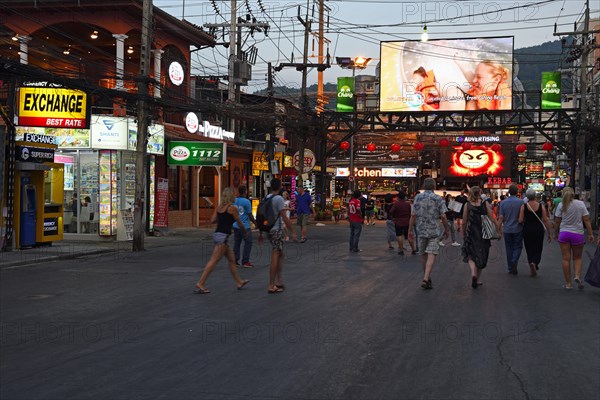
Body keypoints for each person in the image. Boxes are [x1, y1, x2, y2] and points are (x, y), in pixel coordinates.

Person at [194, 187, 250, 294]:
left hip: (218, 234)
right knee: (213, 261)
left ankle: (239, 281)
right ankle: (201, 283)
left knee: (232, 259)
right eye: (233, 195)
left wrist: (223, 219)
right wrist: (245, 231)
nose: (235, 196)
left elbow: (213, 220)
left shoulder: (219, 207)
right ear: (230, 196)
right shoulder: (232, 208)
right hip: (223, 236)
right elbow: (239, 222)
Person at [408, 178, 449, 289]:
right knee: (432, 253)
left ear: (424, 186)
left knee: (422, 254)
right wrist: (447, 229)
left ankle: (427, 277)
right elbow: (443, 216)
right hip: (434, 231)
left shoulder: (417, 197)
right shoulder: (438, 198)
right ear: (434, 186)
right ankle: (426, 278)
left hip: (420, 230)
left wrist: (410, 230)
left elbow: (413, 215)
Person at [258, 178, 297, 293]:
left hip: (268, 229)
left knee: (280, 254)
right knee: (276, 254)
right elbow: (284, 216)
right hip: (276, 230)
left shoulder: (267, 198)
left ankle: (279, 280)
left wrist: (261, 232)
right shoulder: (278, 199)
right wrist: (293, 231)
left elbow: (261, 215)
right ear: (280, 187)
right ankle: (271, 284)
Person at [554, 187, 595, 290]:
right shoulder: (580, 204)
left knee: (565, 258)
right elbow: (586, 220)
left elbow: (557, 221)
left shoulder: (561, 205)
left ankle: (568, 284)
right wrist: (590, 234)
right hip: (577, 234)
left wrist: (555, 233)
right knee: (577, 258)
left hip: (564, 234)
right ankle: (577, 276)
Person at [462, 186, 500, 289]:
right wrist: (498, 229)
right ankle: (477, 278)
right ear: (480, 193)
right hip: (484, 232)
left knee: (470, 254)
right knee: (482, 253)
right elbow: (492, 218)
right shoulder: (485, 204)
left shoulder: (467, 205)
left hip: (471, 232)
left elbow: (464, 221)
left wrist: (463, 233)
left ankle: (473, 273)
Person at [519, 189, 553, 276]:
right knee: (538, 247)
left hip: (527, 229)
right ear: (535, 196)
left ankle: (531, 261)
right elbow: (545, 220)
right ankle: (535, 262)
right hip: (538, 229)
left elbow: (520, 220)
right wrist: (549, 233)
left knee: (528, 247)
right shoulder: (541, 206)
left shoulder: (524, 206)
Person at [498, 184, 524, 275]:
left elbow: (501, 217)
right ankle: (514, 260)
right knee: (518, 246)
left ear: (509, 192)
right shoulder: (521, 202)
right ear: (517, 192)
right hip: (518, 228)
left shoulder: (503, 203)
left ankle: (510, 267)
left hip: (507, 229)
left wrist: (498, 229)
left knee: (509, 248)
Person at [232, 185, 256, 268]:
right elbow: (249, 214)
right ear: (245, 192)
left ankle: (235, 260)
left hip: (235, 225)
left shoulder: (235, 201)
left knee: (237, 243)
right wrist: (255, 223)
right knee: (248, 243)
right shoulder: (247, 202)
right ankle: (245, 261)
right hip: (245, 226)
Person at [389, 191, 416, 256]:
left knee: (399, 235)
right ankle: (413, 250)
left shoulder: (396, 204)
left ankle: (401, 250)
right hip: (407, 222)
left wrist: (393, 218)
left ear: (398, 197)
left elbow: (391, 212)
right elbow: (410, 213)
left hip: (398, 221)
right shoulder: (407, 204)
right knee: (409, 235)